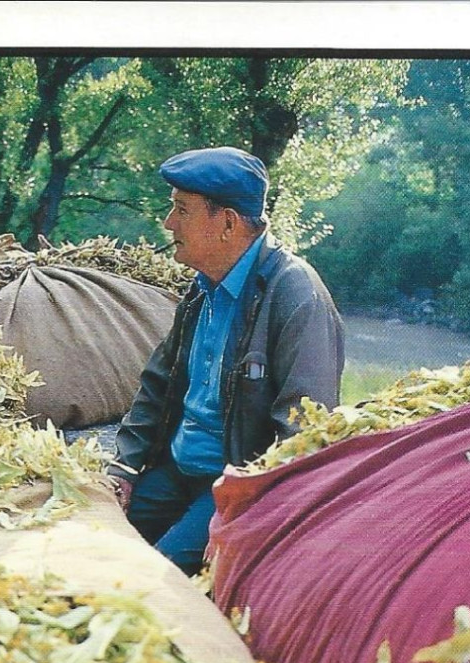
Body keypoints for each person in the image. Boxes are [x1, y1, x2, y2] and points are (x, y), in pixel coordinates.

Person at [108, 145, 345, 576]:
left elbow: (304, 434)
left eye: (181, 210)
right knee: (95, 540)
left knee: (153, 578)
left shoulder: (296, 297)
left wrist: (241, 506)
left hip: (233, 489)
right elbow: (159, 383)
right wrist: (124, 464)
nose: (168, 223)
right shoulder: (203, 289)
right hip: (178, 471)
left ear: (228, 223)